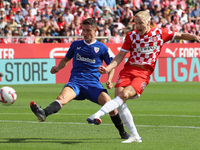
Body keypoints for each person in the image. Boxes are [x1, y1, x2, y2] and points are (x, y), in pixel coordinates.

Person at [87, 10, 200, 143]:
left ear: (148, 21)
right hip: (128, 70)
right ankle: (135, 135)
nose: (138, 26)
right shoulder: (131, 35)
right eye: (136, 23)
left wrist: (194, 36)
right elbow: (120, 56)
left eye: (141, 23)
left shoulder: (160, 33)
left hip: (143, 72)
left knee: (124, 95)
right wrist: (107, 69)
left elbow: (180, 34)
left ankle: (98, 114)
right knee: (120, 100)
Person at [30, 18, 129, 139]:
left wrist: (109, 79)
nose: (85, 33)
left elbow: (111, 66)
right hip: (75, 82)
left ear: (95, 30)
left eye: (88, 30)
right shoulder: (76, 45)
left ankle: (122, 133)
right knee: (61, 98)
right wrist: (58, 68)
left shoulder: (102, 48)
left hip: (93, 85)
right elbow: (66, 59)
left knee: (111, 106)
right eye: (83, 30)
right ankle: (43, 113)